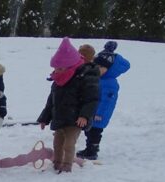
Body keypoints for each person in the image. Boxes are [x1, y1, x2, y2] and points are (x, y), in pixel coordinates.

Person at [37, 37, 100, 174]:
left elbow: (91, 99)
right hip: (60, 118)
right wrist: (44, 118)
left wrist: (84, 115)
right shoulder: (57, 81)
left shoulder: (84, 78)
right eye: (55, 68)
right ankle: (57, 163)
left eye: (60, 68)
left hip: (75, 119)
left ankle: (66, 166)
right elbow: (51, 102)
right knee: (57, 143)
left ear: (70, 66)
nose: (56, 71)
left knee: (68, 144)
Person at [78, 41, 129, 161]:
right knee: (89, 130)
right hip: (93, 111)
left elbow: (107, 101)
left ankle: (92, 151)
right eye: (97, 66)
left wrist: (100, 114)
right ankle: (89, 148)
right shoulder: (98, 78)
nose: (99, 69)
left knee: (95, 132)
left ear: (109, 69)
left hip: (100, 114)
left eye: (102, 67)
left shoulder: (110, 83)